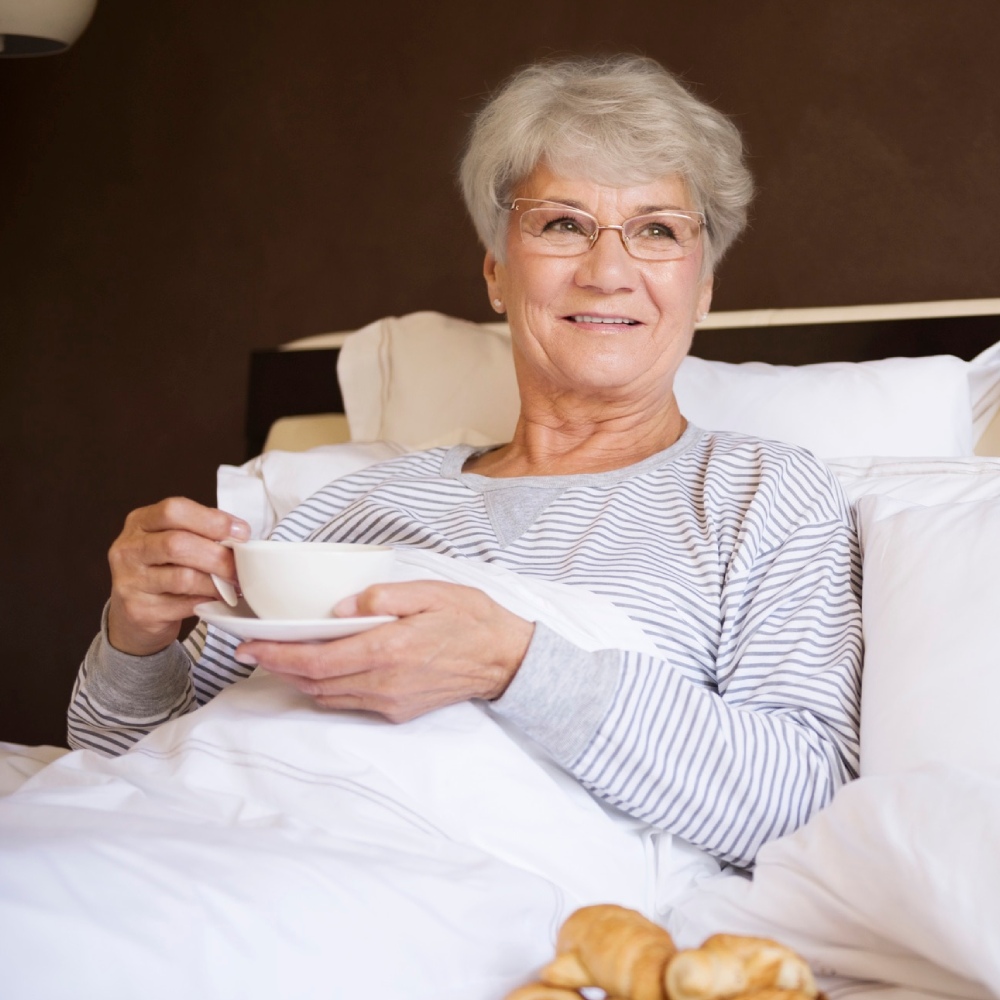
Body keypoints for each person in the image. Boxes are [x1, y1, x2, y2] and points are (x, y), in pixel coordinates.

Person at [68, 54, 862, 870]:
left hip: (424, 883)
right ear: (496, 273)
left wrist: (510, 663)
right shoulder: (350, 506)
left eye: (658, 230)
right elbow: (121, 764)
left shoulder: (763, 494)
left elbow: (802, 806)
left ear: (703, 289)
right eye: (563, 224)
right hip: (202, 845)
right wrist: (138, 636)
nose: (608, 272)